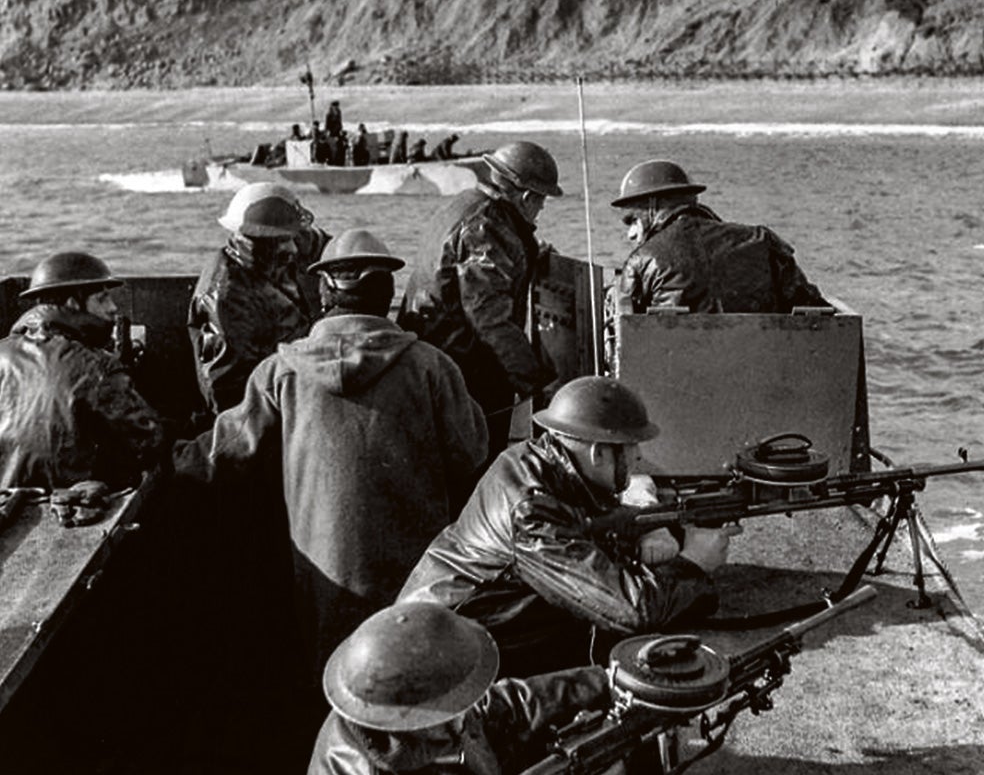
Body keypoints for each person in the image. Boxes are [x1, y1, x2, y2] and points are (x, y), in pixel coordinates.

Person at [175, 229, 488, 681]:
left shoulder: (279, 372)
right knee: (412, 674)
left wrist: (165, 454)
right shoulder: (431, 367)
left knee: (333, 676)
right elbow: (471, 452)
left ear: (324, 291)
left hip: (324, 573)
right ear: (387, 294)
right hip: (418, 572)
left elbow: (223, 455)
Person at [398, 376, 732, 677]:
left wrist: (658, 522)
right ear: (598, 453)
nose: (638, 457)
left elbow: (588, 522)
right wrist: (694, 564)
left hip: (458, 631)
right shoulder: (531, 514)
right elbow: (631, 610)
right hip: (440, 661)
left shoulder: (532, 460)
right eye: (631, 447)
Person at [398, 141, 562, 461]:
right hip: (464, 372)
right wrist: (537, 383)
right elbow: (489, 317)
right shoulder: (488, 225)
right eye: (541, 201)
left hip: (434, 360)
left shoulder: (467, 203)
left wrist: (530, 256)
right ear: (527, 197)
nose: (541, 210)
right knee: (477, 467)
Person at [308, 603, 610, 775]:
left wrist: (605, 681)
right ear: (421, 716)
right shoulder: (365, 766)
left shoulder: (432, 719)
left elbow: (507, 705)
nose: (467, 709)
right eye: (458, 703)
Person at [0, 251, 164, 489]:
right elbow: (149, 442)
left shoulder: (3, 351)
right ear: (72, 303)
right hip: (71, 499)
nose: (113, 308)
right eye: (102, 299)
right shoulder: (97, 367)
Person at [612, 160, 828, 314]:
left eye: (632, 220)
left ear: (653, 207)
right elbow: (810, 307)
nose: (631, 234)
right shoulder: (762, 240)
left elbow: (628, 330)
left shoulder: (642, 260)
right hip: (766, 360)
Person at [187, 182, 328, 414]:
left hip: (307, 383)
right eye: (283, 241)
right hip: (269, 409)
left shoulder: (283, 247)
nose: (293, 249)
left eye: (294, 237)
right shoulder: (227, 296)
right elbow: (227, 392)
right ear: (256, 240)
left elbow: (329, 248)